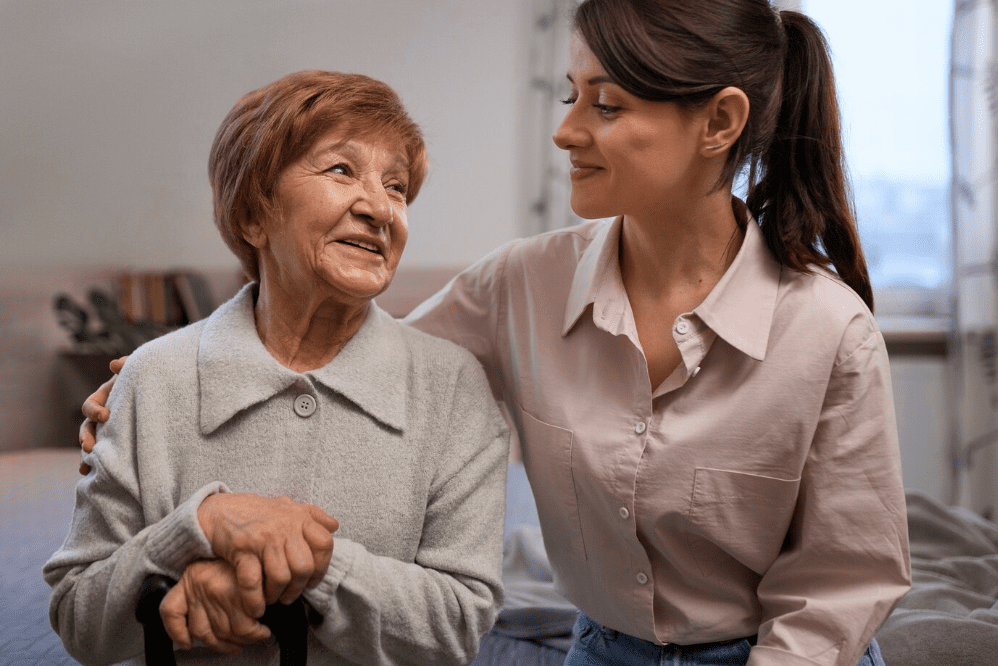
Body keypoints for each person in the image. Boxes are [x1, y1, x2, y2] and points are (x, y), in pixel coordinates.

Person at [78, 2, 912, 665]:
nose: (566, 130)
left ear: (718, 123)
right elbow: (353, 370)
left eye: (606, 104)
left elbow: (844, 581)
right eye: (570, 94)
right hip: (602, 650)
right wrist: (154, 393)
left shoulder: (829, 330)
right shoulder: (518, 284)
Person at [46, 70, 510, 665]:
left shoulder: (451, 387)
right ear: (253, 217)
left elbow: (458, 626)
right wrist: (199, 525)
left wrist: (309, 563)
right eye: (341, 170)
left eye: (396, 187)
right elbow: (79, 619)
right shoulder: (154, 376)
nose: (380, 209)